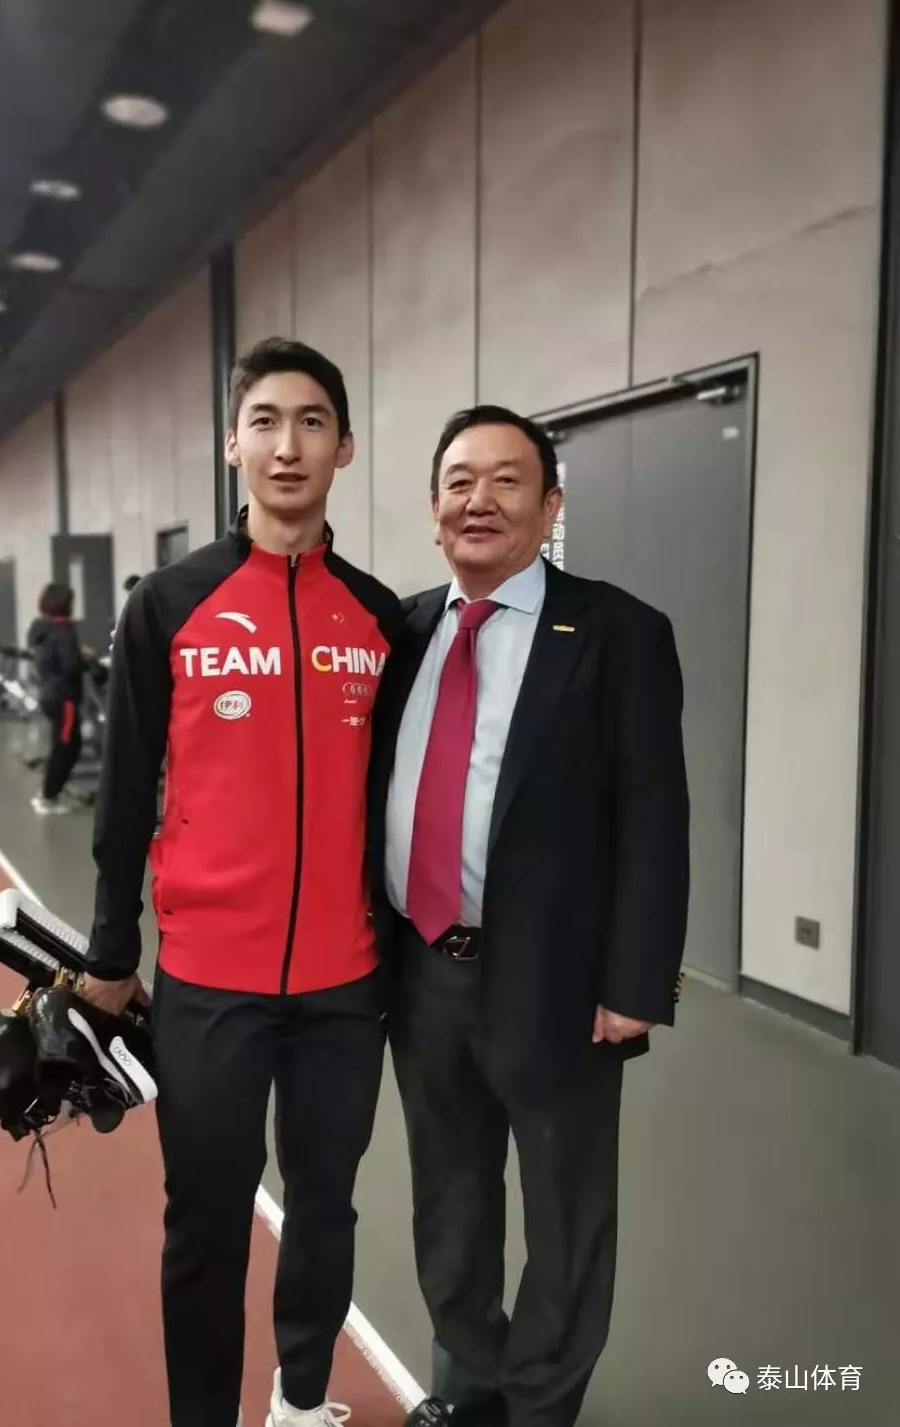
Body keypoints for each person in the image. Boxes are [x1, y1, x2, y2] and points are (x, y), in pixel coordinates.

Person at [80, 337, 403, 1427]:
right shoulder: (168, 605)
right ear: (233, 444)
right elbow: (124, 790)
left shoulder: (380, 618)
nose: (287, 445)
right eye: (265, 421)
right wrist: (110, 952)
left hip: (344, 986)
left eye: (312, 422)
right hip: (209, 982)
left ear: (344, 446)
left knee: (325, 1211)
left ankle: (302, 1398)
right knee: (206, 1226)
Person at [369, 405, 690, 1427]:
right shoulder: (400, 632)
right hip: (423, 972)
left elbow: (654, 819)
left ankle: (542, 1406)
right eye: (459, 481)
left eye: (507, 480)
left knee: (564, 1215)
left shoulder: (618, 633)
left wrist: (635, 985)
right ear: (432, 508)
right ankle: (468, 1390)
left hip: (557, 981)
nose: (480, 500)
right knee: (449, 1203)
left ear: (550, 506)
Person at [27, 583, 85, 816]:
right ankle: (48, 797)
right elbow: (71, 665)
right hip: (64, 697)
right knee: (65, 746)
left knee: (69, 744)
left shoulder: (43, 628)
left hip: (50, 693)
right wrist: (84, 659)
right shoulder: (63, 630)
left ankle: (53, 792)